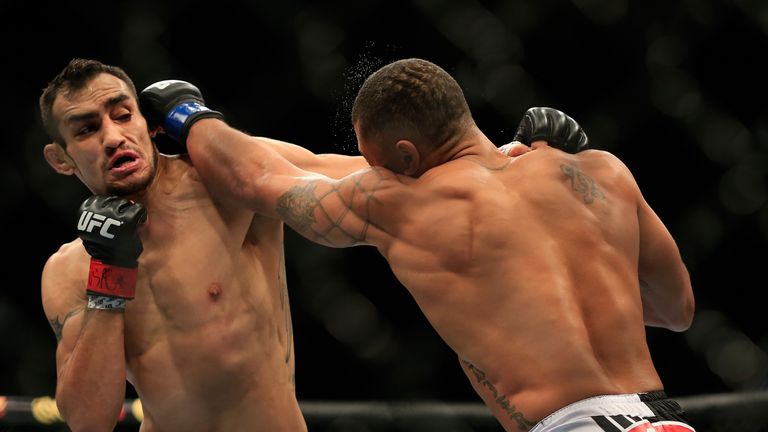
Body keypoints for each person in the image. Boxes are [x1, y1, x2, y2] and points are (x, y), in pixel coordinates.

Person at [145, 58, 696, 432]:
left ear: (404, 159)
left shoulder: (401, 202)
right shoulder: (602, 171)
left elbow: (256, 181)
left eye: (377, 164)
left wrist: (185, 113)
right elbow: (675, 311)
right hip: (664, 416)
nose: (372, 174)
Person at [37, 58, 369, 432]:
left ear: (148, 121)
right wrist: (108, 277)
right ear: (61, 159)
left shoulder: (226, 180)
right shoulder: (69, 269)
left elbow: (359, 180)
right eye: (87, 129)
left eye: (123, 115)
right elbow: (87, 421)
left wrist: (200, 122)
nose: (113, 137)